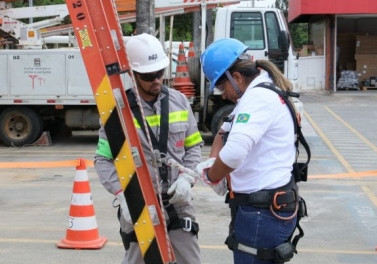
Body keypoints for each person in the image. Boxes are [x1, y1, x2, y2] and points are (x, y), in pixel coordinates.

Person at [94, 33, 203, 264]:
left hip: (177, 204)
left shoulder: (180, 102)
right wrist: (122, 194)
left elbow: (193, 148)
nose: (156, 80)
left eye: (160, 73)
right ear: (133, 75)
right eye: (148, 76)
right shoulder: (118, 112)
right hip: (139, 205)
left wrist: (187, 178)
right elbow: (103, 160)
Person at [197, 38, 301, 264]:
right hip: (259, 211)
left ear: (236, 78)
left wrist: (211, 175)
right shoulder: (253, 96)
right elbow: (223, 133)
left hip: (261, 215)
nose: (222, 94)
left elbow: (234, 153)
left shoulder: (258, 99)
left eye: (221, 86)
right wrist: (213, 161)